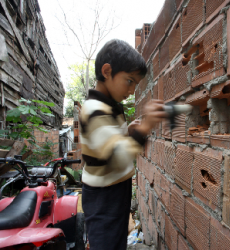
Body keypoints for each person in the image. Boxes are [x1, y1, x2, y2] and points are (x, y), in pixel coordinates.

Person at [80, 39, 166, 250]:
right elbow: (118, 155)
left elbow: (107, 140)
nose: (132, 89)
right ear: (107, 71)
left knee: (116, 241)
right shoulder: (94, 110)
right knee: (107, 244)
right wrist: (145, 127)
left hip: (115, 189)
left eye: (136, 83)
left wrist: (127, 131)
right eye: (130, 81)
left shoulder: (109, 106)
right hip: (103, 196)